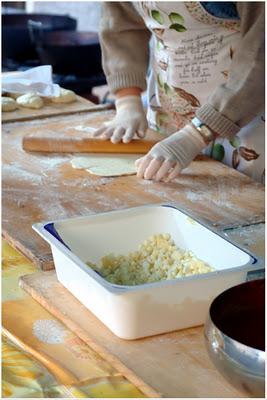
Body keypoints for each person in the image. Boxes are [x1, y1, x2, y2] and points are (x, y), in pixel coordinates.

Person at [94, 2, 265, 183]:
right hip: (166, 114)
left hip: (244, 112)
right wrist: (127, 100)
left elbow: (260, 52)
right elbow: (121, 21)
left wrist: (195, 135)